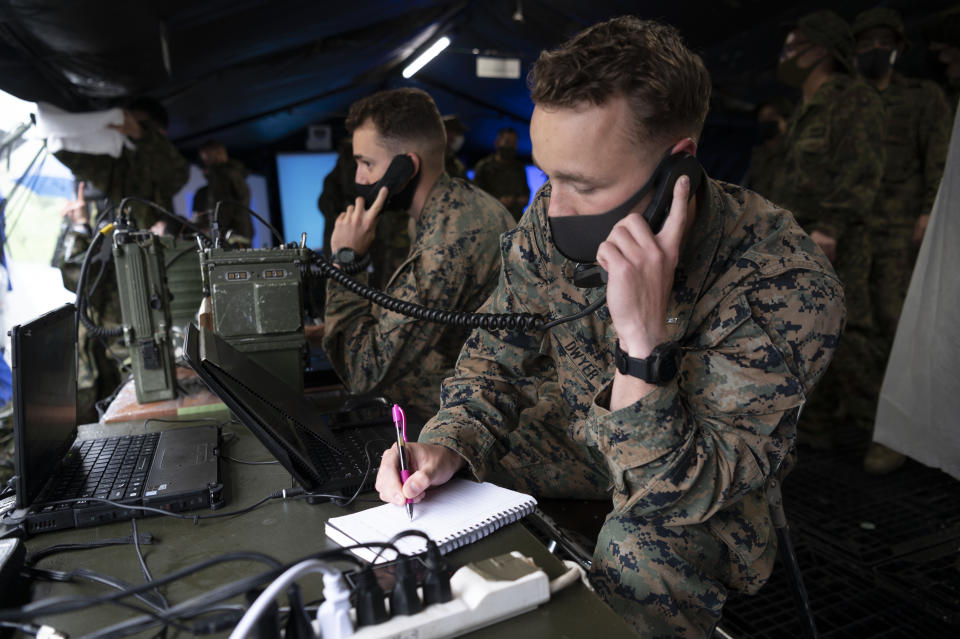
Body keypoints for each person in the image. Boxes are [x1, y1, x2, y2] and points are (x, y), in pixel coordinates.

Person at [375, 17, 844, 636]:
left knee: (640, 549)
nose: (552, 206)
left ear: (677, 170)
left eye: (582, 184)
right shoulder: (552, 215)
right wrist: (448, 442)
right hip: (588, 439)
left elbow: (678, 490)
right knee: (444, 482)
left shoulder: (783, 280)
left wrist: (642, 344)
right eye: (549, 175)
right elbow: (495, 356)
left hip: (702, 484)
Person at [322, 88, 514, 427]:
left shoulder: (448, 242)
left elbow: (362, 371)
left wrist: (346, 261)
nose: (358, 178)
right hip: (490, 384)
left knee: (370, 398)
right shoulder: (454, 205)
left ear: (405, 167)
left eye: (367, 163)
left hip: (499, 418)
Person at [768, 10, 887, 451]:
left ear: (820, 49)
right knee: (806, 331)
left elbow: (862, 171)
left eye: (794, 45)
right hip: (802, 239)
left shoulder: (852, 98)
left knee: (851, 335)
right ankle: (817, 430)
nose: (787, 55)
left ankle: (884, 431)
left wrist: (832, 228)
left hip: (838, 239)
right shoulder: (808, 103)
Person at [852, 7, 952, 474]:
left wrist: (930, 210)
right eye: (865, 40)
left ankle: (899, 433)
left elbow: (939, 156)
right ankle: (866, 422)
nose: (875, 48)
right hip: (853, 232)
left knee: (900, 328)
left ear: (898, 47)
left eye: (882, 40)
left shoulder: (923, 97)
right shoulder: (847, 100)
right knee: (857, 328)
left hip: (899, 232)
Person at [53, 96, 189, 230]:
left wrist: (141, 135)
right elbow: (77, 159)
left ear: (160, 133)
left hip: (149, 245)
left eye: (141, 125)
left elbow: (178, 172)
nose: (128, 130)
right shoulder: (113, 163)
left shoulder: (164, 168)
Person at [198, 139, 253, 246]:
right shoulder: (235, 174)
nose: (205, 163)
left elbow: (222, 209)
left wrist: (214, 230)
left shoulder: (221, 175)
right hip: (240, 234)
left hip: (230, 238)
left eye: (207, 159)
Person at [472, 127, 530, 221]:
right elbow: (475, 196)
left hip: (515, 221)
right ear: (497, 143)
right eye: (507, 142)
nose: (511, 146)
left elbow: (525, 195)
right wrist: (498, 202)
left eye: (514, 143)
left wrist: (518, 200)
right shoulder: (484, 167)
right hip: (491, 220)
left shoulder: (519, 168)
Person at [745, 97, 791, 198]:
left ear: (785, 121)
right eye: (762, 117)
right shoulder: (757, 154)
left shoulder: (793, 154)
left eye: (771, 116)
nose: (765, 121)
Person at [442, 114, 468, 180]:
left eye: (457, 132)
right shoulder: (426, 158)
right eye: (449, 130)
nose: (454, 136)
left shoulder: (458, 166)